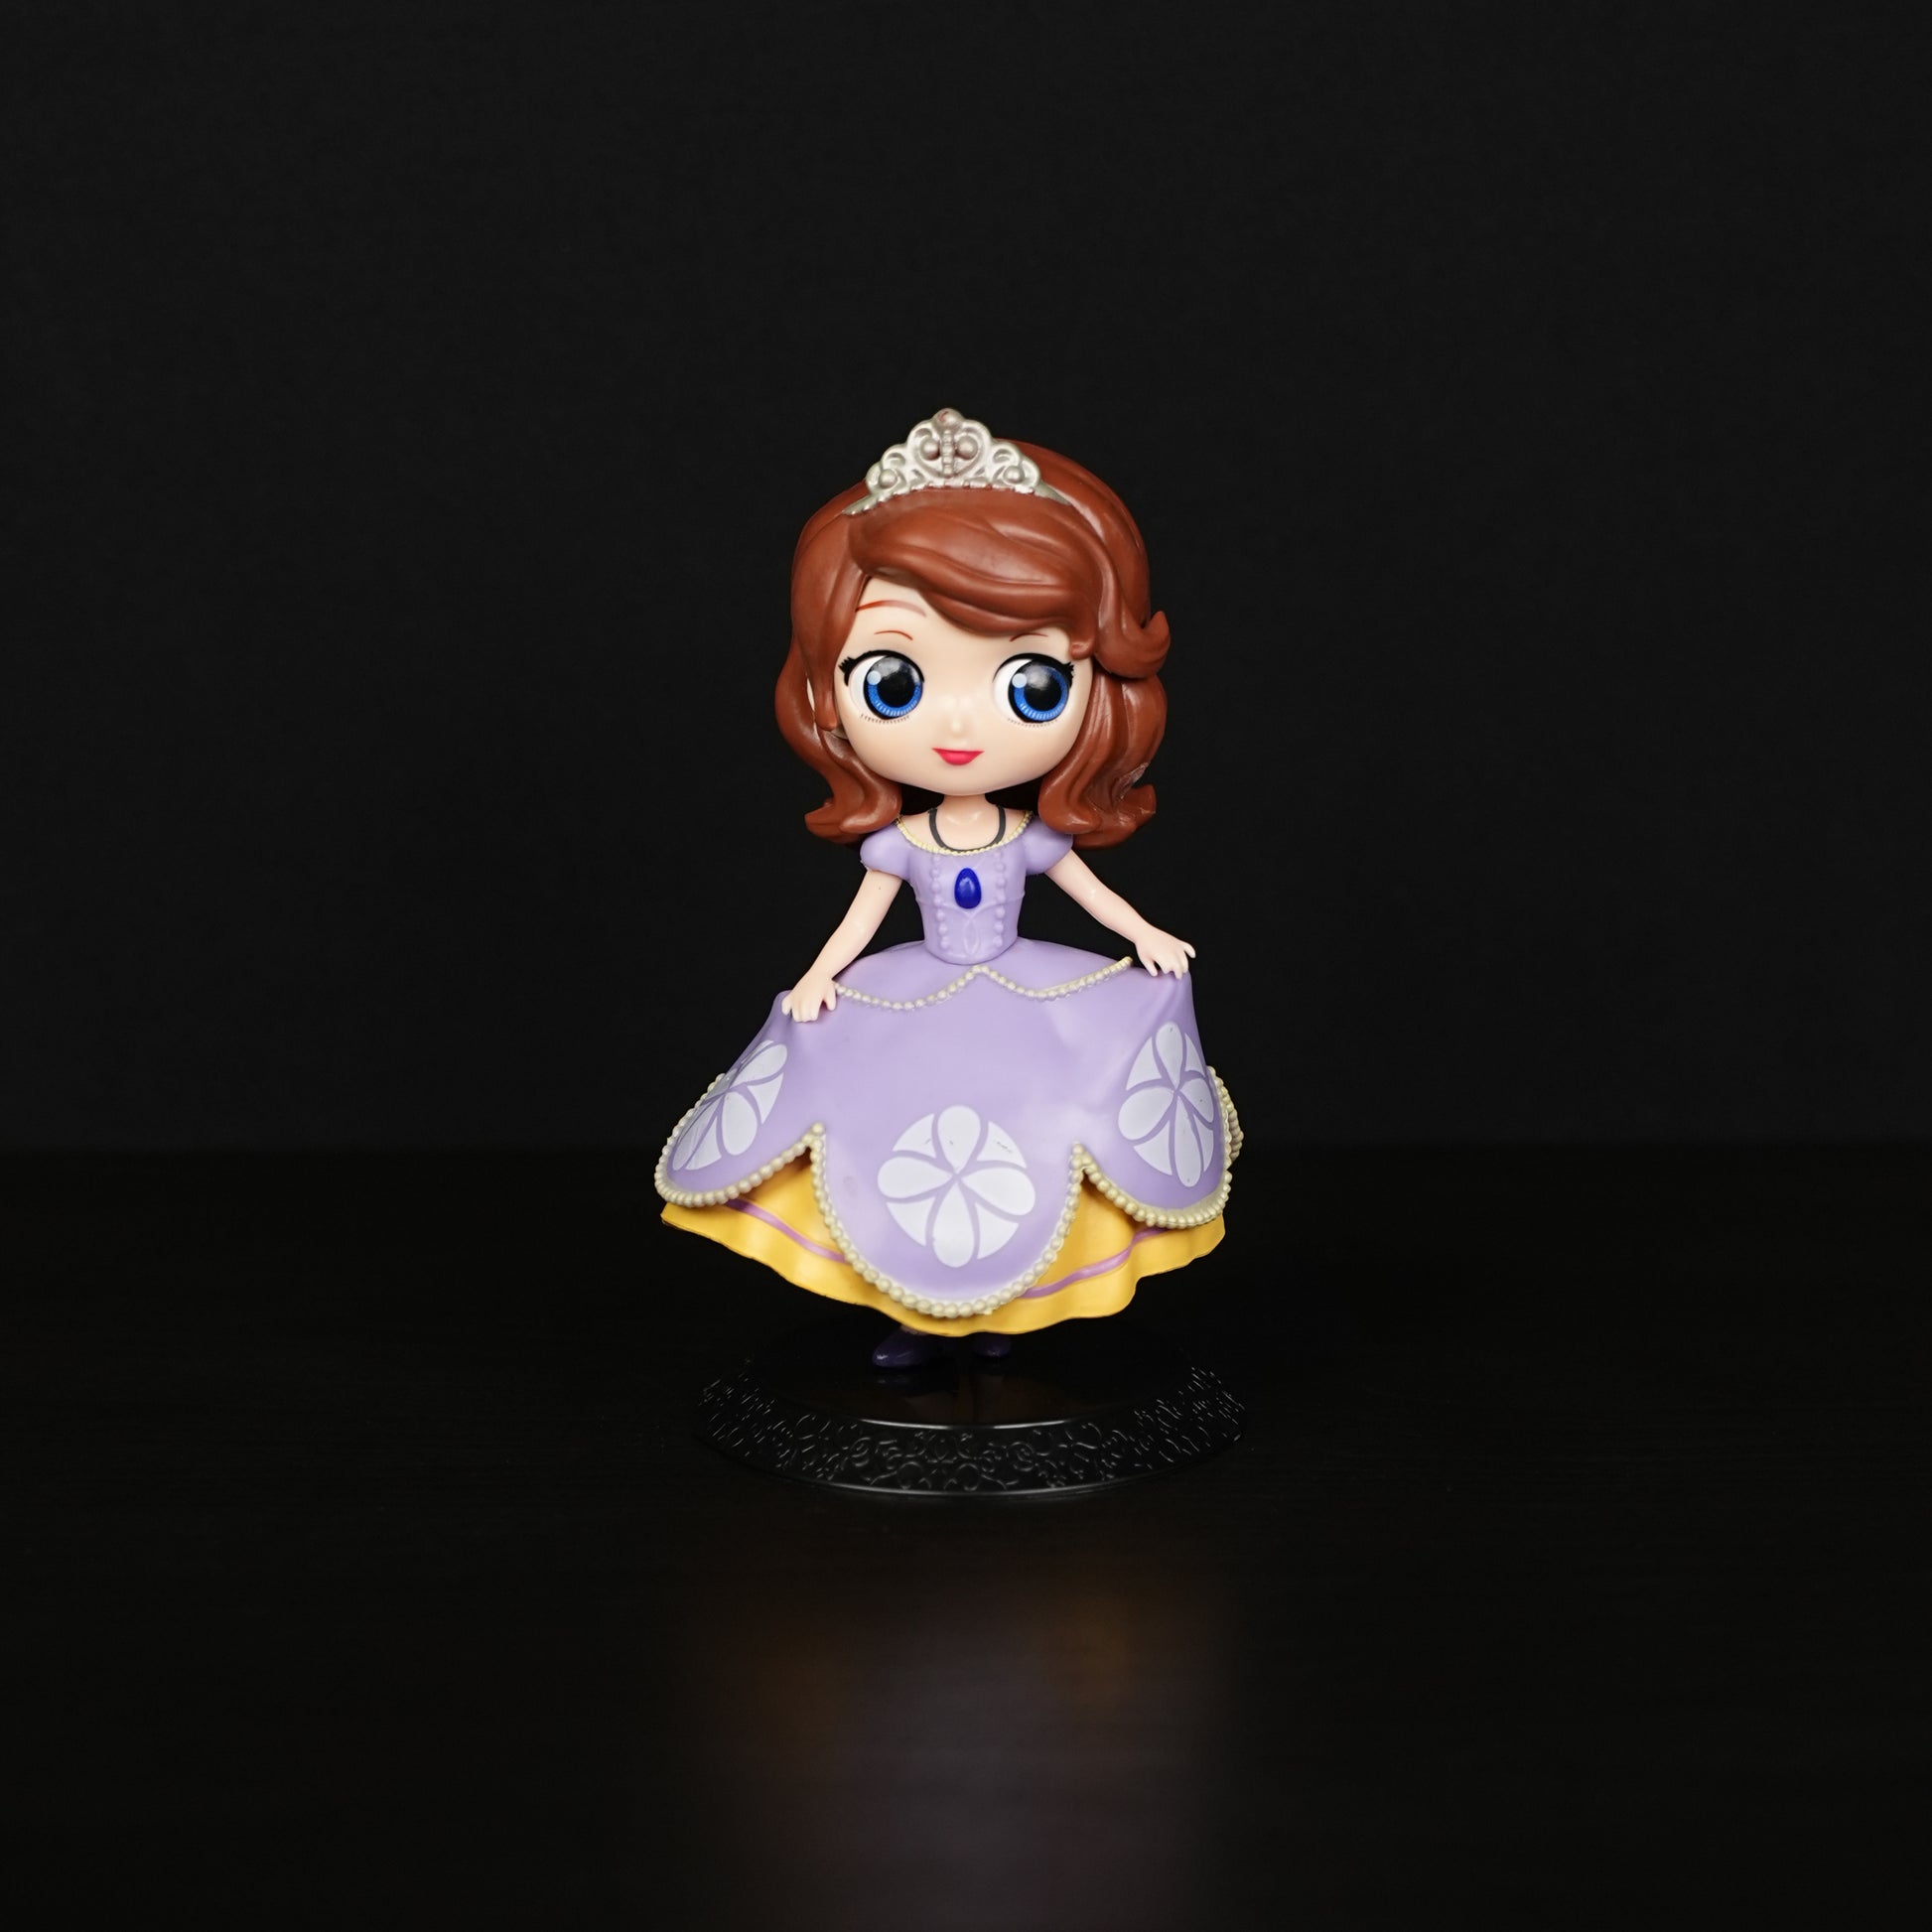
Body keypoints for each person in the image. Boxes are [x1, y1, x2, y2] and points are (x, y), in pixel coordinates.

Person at [656, 409, 1240, 1367]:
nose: (959, 726)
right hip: (911, 992)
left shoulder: (1028, 834)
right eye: (896, 683)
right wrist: (818, 977)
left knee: (1037, 1137)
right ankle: (918, 1318)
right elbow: (860, 920)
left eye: (1030, 685)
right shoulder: (900, 843)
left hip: (1031, 992)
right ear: (828, 693)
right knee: (889, 1142)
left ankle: (1007, 1314)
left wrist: (1143, 934)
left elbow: (1088, 890)